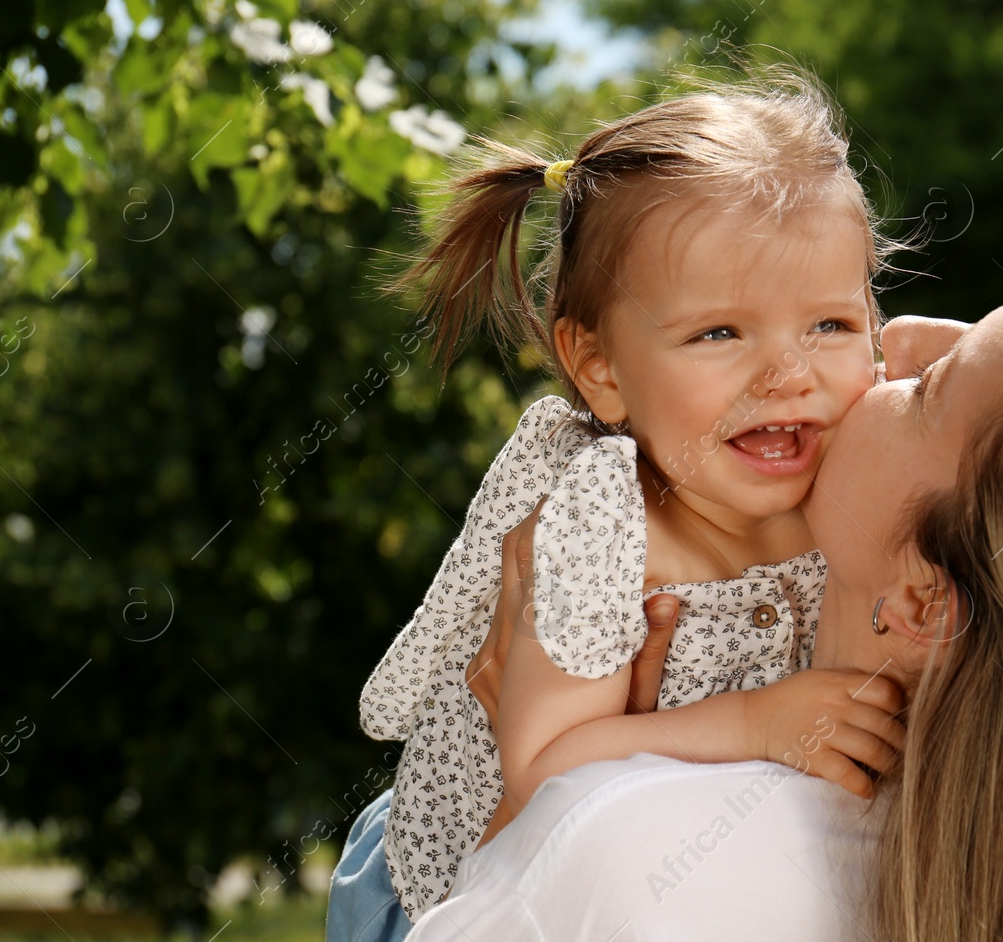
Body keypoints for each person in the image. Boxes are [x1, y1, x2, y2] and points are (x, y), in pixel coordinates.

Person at [405, 279, 1003, 942]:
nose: (894, 335)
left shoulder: (635, 857)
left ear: (922, 597)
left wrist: (529, 829)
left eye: (935, 385)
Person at [326, 74, 908, 942]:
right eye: (720, 333)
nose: (790, 373)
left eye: (830, 323)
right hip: (451, 890)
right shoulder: (608, 524)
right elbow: (542, 761)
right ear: (598, 367)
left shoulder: (858, 469)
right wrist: (756, 722)